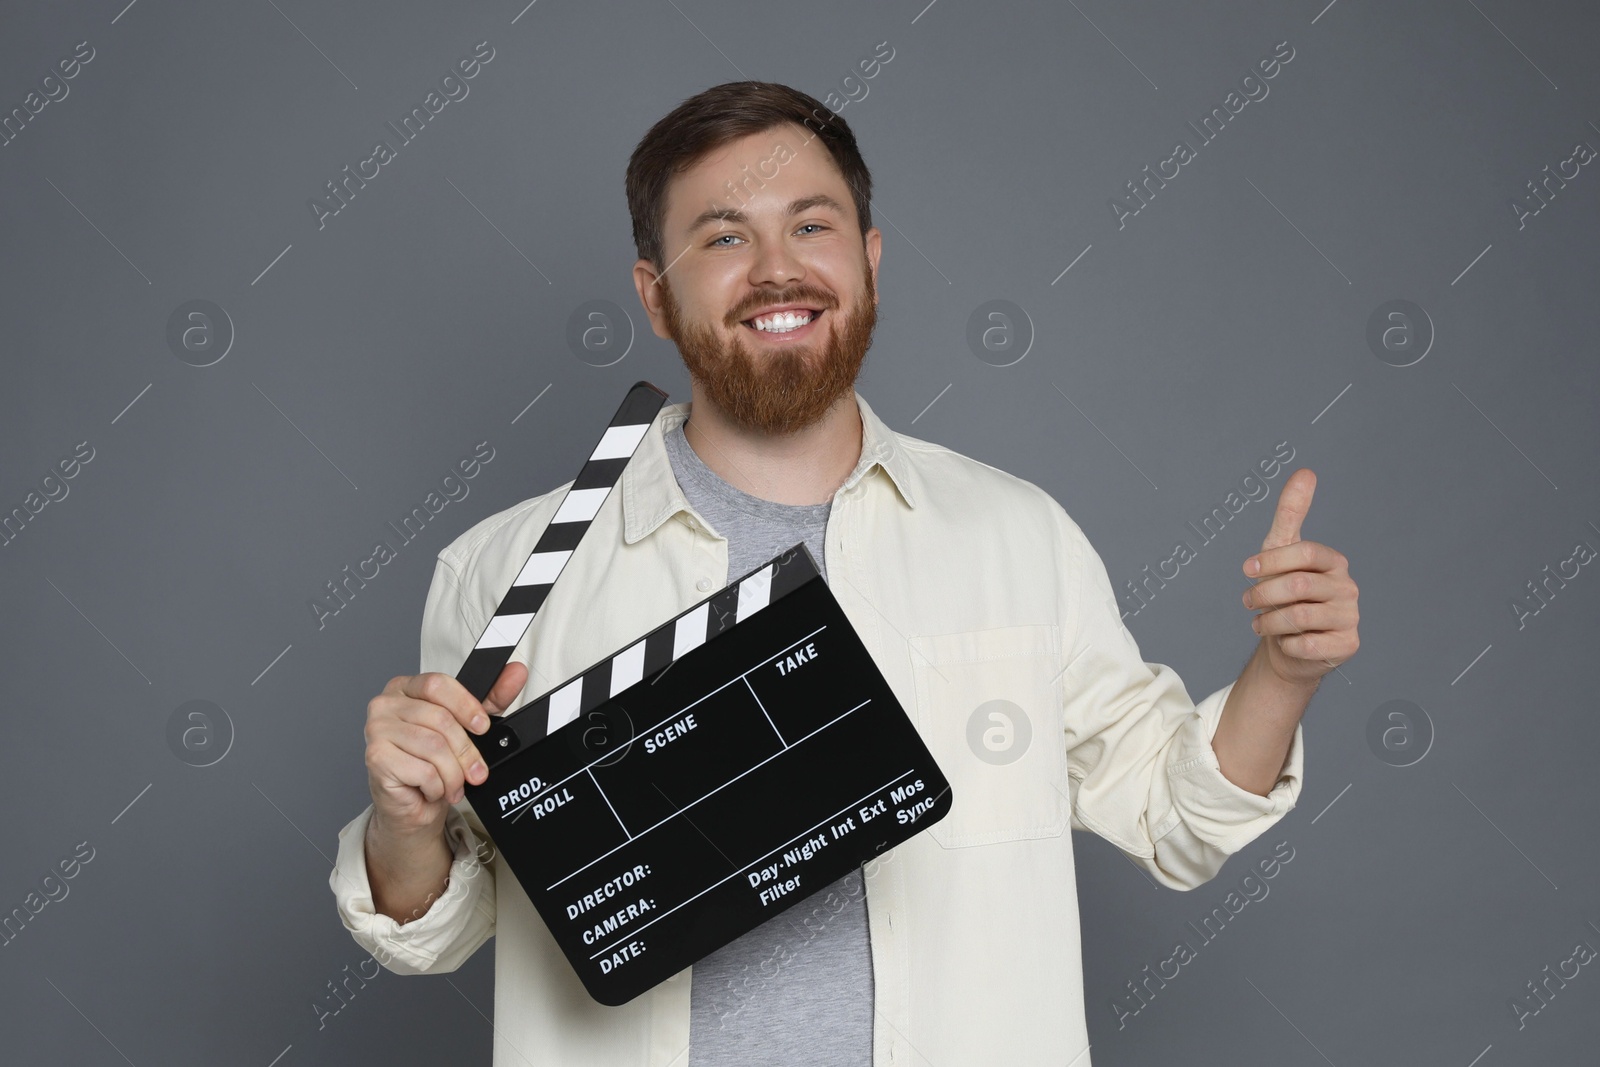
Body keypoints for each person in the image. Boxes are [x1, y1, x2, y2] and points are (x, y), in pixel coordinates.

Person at [329, 81, 1359, 1066]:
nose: (777, 269)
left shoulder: (1013, 537)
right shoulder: (507, 571)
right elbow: (433, 926)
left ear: (868, 260)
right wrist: (404, 819)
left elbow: (1172, 817)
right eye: (724, 236)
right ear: (655, 293)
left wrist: (1281, 670)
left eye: (811, 226)